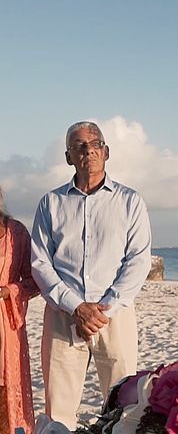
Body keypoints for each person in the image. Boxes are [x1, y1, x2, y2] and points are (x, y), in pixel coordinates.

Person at [31, 121, 152, 430]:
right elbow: (40, 263)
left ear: (106, 151)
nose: (88, 150)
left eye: (94, 143)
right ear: (69, 156)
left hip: (115, 316)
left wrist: (102, 308)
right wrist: (77, 307)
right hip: (63, 317)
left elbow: (138, 261)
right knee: (58, 410)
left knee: (124, 407)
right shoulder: (51, 203)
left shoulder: (129, 201)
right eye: (79, 146)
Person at [0, 187, 39, 434]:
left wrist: (9, 290)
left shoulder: (16, 232)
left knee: (5, 393)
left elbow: (34, 280)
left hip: (7, 324)